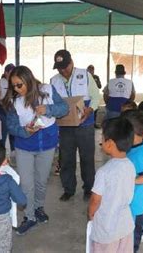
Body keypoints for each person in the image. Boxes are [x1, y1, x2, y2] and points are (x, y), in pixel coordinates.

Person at [2, 65, 68, 235]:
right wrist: (24, 131)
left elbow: (64, 108)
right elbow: (11, 126)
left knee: (41, 181)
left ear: (28, 80)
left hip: (47, 145)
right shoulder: (13, 101)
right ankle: (29, 216)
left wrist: (49, 109)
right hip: (25, 146)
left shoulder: (47, 90)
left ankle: (39, 208)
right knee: (26, 184)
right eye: (13, 86)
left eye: (19, 85)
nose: (16, 89)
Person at [50, 49, 101, 202]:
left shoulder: (85, 75)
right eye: (59, 67)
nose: (63, 70)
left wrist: (89, 109)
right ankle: (68, 189)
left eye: (65, 66)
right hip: (65, 126)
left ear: (71, 63)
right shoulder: (54, 81)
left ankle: (88, 189)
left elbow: (96, 97)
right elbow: (52, 103)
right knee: (66, 158)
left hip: (85, 124)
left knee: (87, 158)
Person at [88, 117, 136, 253]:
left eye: (102, 138)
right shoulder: (130, 166)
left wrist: (90, 214)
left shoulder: (104, 172)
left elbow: (95, 200)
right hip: (125, 226)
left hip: (106, 230)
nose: (100, 141)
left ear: (109, 143)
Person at [121, 110, 143, 253]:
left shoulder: (140, 154)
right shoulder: (142, 141)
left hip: (134, 203)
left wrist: (128, 180)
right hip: (132, 200)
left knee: (132, 238)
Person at [0, 63, 16, 156]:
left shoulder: (16, 81)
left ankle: (14, 150)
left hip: (14, 108)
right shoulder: (0, 82)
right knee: (3, 131)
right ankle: (1, 153)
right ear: (6, 72)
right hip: (2, 109)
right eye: (10, 72)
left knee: (14, 130)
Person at [87, 64, 102, 129]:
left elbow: (100, 86)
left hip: (94, 96)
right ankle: (88, 123)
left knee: (95, 110)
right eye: (90, 70)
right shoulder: (85, 77)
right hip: (87, 97)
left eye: (92, 70)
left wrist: (95, 83)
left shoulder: (96, 77)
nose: (91, 71)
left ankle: (94, 123)